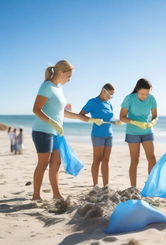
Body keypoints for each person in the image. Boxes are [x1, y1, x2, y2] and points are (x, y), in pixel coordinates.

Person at [32, 60, 88, 200]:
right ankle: (36, 196)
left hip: (57, 132)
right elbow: (36, 110)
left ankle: (56, 195)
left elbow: (61, 112)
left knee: (56, 163)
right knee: (43, 163)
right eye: (68, 76)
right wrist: (52, 122)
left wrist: (79, 117)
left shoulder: (59, 88)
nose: (69, 80)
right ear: (61, 72)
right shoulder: (47, 86)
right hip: (43, 131)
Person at [79, 83, 121, 188]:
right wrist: (92, 120)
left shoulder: (109, 104)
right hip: (97, 135)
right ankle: (95, 185)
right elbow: (81, 115)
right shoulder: (93, 102)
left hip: (109, 135)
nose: (110, 97)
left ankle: (106, 185)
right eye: (109, 95)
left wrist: (116, 121)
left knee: (106, 160)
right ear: (103, 91)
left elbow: (109, 118)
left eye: (112, 96)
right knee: (97, 160)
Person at [120, 78, 157, 187]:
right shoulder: (129, 99)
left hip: (147, 131)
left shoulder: (151, 99)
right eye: (142, 94)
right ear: (137, 89)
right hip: (132, 133)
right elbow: (122, 117)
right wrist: (135, 122)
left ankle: (151, 185)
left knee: (152, 158)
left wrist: (153, 122)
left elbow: (155, 116)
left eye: (147, 94)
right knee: (135, 160)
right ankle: (133, 188)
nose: (144, 96)